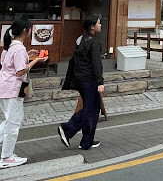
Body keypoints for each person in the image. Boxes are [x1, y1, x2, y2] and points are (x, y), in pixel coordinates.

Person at [0, 19, 48, 168]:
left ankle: (7, 153)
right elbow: (20, 70)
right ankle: (6, 157)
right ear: (25, 31)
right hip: (13, 88)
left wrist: (28, 54)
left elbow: (7, 63)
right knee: (13, 123)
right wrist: (36, 60)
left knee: (11, 119)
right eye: (30, 30)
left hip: (5, 86)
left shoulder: (10, 45)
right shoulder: (18, 48)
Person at [58, 15, 104, 150]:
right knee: (91, 110)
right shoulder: (94, 43)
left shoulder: (80, 40)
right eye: (98, 23)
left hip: (79, 79)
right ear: (92, 27)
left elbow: (74, 61)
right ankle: (67, 129)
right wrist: (100, 81)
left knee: (91, 109)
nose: (100, 25)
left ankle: (87, 141)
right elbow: (96, 64)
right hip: (90, 80)